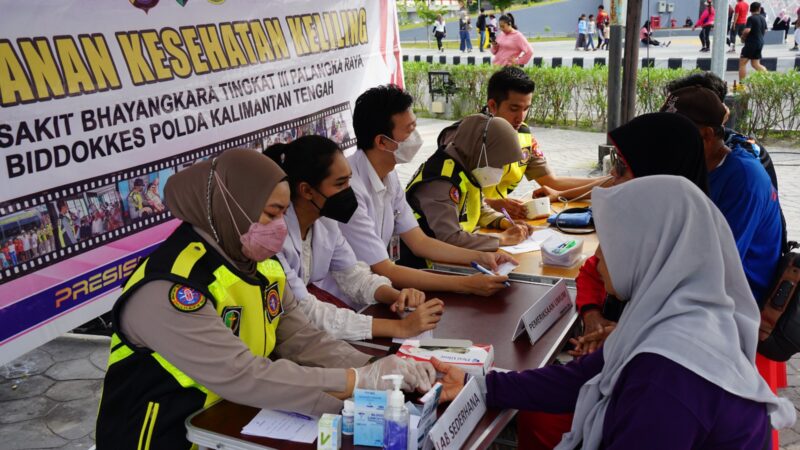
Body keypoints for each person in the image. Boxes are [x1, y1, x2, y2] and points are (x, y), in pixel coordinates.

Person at [95, 149, 436, 449]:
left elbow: (302, 339)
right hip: (162, 437)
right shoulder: (172, 287)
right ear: (233, 206)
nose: (280, 227)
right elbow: (243, 374)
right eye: (271, 214)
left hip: (229, 425)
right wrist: (356, 381)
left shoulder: (259, 265)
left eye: (283, 214)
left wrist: (381, 369)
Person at [432, 175, 796, 449]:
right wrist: (477, 385)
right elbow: (576, 379)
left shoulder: (668, 378)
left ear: (649, 250)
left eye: (611, 244)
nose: (599, 257)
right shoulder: (681, 315)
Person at [263, 136, 444, 340]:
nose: (348, 191)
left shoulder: (326, 222)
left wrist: (397, 295)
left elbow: (355, 276)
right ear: (306, 190)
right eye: (340, 184)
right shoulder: (273, 238)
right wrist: (399, 328)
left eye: (349, 180)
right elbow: (305, 311)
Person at [342, 85, 515, 296]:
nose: (415, 136)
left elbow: (420, 242)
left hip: (377, 290)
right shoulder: (349, 189)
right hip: (348, 300)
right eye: (409, 130)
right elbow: (385, 269)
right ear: (382, 142)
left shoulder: (389, 175)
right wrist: (467, 284)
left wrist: (482, 257)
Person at [440, 67, 606, 218]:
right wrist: (491, 204)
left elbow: (551, 182)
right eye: (514, 109)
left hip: (501, 221)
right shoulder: (463, 136)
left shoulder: (524, 134)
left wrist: (607, 181)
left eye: (526, 108)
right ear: (492, 105)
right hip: (462, 226)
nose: (520, 117)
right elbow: (443, 192)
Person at [405, 114, 532, 258]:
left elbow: (478, 208)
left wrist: (504, 222)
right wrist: (502, 239)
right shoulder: (441, 181)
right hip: (421, 262)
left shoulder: (467, 167)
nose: (501, 170)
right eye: (498, 163)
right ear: (481, 152)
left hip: (447, 256)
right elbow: (450, 238)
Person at [740, 1, 768, 81]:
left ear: (750, 9)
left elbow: (747, 30)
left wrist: (743, 37)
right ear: (759, 9)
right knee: (755, 64)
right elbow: (765, 30)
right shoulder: (763, 18)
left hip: (751, 43)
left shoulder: (751, 18)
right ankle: (768, 79)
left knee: (742, 63)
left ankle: (741, 85)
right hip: (760, 42)